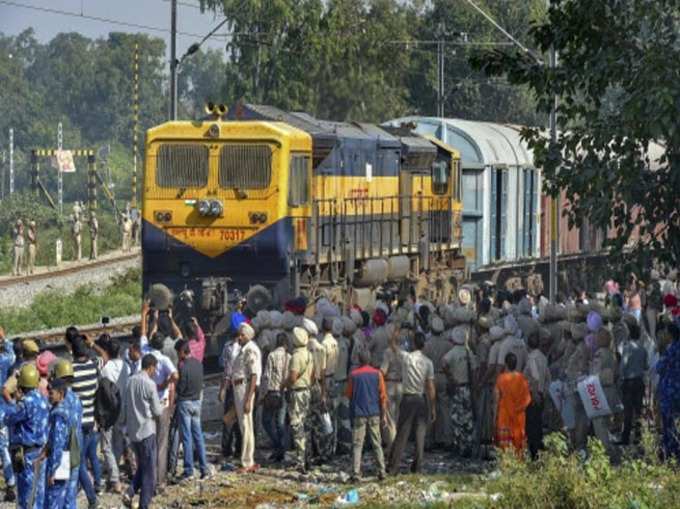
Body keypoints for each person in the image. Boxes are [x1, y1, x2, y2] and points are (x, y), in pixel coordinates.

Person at [388, 332, 436, 475]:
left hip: (408, 399)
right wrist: (433, 407)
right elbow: (430, 386)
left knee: (402, 433)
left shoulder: (407, 358)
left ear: (414, 344)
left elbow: (392, 345)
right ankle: (417, 467)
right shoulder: (428, 362)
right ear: (423, 345)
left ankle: (393, 467)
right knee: (420, 435)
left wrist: (396, 331)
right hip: (421, 400)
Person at [5, 364, 49, 509]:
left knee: (26, 495)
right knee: (39, 492)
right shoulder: (43, 399)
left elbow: (8, 418)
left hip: (27, 454)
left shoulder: (25, 403)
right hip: (41, 452)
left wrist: (14, 400)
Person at [122, 354, 163, 509]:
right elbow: (158, 411)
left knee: (142, 466)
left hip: (133, 432)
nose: (155, 371)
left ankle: (130, 492)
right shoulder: (149, 384)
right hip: (146, 430)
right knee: (149, 472)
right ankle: (144, 504)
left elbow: (125, 406)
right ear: (150, 366)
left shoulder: (130, 381)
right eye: (155, 368)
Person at [346, 349, 387, 482]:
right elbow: (383, 396)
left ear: (359, 360)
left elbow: (348, 394)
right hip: (374, 412)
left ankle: (356, 473)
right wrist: (384, 415)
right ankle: (381, 471)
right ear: (370, 360)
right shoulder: (378, 374)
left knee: (357, 444)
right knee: (377, 443)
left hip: (359, 414)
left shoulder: (353, 375)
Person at [174, 339, 210, 481]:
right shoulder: (198, 364)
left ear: (182, 352)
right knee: (198, 436)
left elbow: (180, 388)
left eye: (178, 353)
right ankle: (204, 468)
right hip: (197, 402)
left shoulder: (183, 367)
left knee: (187, 438)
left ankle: (188, 470)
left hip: (185, 403)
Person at [71, 338, 102, 504]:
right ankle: (88, 487)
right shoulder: (93, 367)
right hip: (91, 420)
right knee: (89, 457)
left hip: (78, 422)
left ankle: (91, 497)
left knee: (79, 461)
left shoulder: (72, 370)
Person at [442, 326, 478, 458]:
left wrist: (450, 377)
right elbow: (474, 371)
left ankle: (458, 445)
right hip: (468, 387)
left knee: (457, 417)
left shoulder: (453, 352)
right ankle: (468, 445)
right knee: (468, 417)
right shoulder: (469, 352)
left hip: (457, 388)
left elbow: (444, 363)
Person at [96, 336, 126, 493]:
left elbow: (102, 390)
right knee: (118, 441)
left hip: (109, 412)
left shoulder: (105, 369)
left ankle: (114, 478)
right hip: (123, 408)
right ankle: (115, 471)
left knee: (106, 446)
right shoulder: (126, 367)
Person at [231, 322, 261, 473]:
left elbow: (254, 375)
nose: (240, 337)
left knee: (246, 425)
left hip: (244, 388)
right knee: (245, 425)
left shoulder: (250, 350)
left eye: (242, 335)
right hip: (240, 387)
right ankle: (247, 459)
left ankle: (247, 461)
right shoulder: (244, 348)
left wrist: (248, 399)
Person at [52, 359, 83, 509]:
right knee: (71, 495)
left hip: (63, 454)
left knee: (58, 495)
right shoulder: (77, 399)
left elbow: (58, 435)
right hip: (76, 450)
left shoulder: (59, 402)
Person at [286, 326, 313, 474]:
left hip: (297, 393)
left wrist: (284, 385)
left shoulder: (296, 356)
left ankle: (300, 461)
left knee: (297, 426)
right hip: (307, 391)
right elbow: (313, 375)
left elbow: (293, 377)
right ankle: (307, 457)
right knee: (305, 425)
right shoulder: (309, 354)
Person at [261, 332, 290, 463]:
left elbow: (266, 376)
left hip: (272, 392)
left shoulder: (271, 355)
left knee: (266, 421)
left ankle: (278, 446)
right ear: (286, 344)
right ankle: (281, 450)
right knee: (280, 423)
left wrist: (263, 394)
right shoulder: (289, 357)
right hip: (284, 393)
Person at [618, 321, 648, 445]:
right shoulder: (643, 349)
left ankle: (625, 438)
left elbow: (623, 366)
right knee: (638, 410)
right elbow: (646, 366)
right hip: (639, 381)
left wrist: (620, 378)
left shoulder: (627, 347)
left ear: (629, 334)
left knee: (628, 412)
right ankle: (638, 436)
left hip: (629, 381)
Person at [495, 353, 531, 453]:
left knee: (505, 443)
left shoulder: (501, 379)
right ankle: (518, 464)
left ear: (505, 364)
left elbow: (496, 398)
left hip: (504, 415)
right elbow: (528, 399)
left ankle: (506, 463)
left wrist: (494, 415)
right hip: (519, 416)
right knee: (518, 441)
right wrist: (519, 409)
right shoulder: (522, 378)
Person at [44, 378, 71, 509]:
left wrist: (53, 471)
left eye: (51, 393)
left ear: (60, 394)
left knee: (53, 500)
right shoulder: (63, 409)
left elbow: (58, 443)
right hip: (63, 459)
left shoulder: (59, 414)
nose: (49, 395)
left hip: (59, 461)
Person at [523, 331, 551, 460]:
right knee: (538, 424)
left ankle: (534, 453)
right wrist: (543, 392)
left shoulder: (531, 358)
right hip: (541, 393)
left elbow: (534, 377)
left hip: (532, 395)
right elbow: (548, 378)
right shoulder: (543, 357)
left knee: (531, 425)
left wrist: (534, 394)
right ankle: (539, 451)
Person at [657, 323, 680, 461]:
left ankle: (671, 452)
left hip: (670, 390)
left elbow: (660, 367)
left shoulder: (671, 349)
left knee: (669, 422)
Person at [219, 331, 242, 465]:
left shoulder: (232, 347)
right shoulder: (231, 347)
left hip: (234, 387)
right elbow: (225, 369)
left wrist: (222, 388)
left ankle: (229, 449)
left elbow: (226, 370)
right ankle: (234, 449)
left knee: (230, 419)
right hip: (235, 387)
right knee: (233, 419)